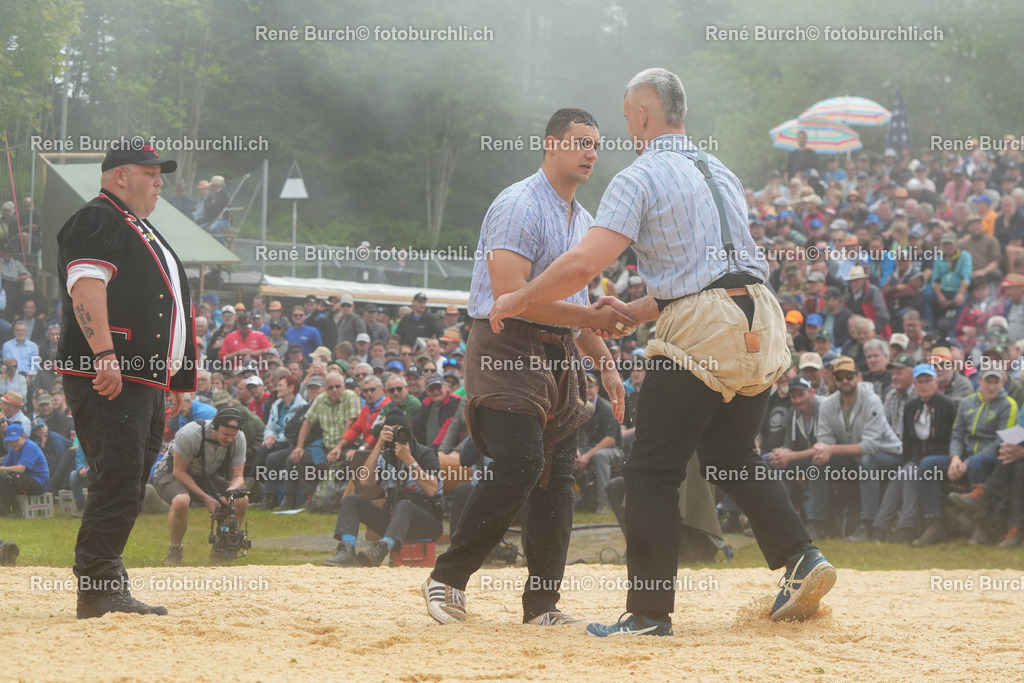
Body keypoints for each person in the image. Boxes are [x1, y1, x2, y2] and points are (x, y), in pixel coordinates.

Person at [489, 72, 834, 635]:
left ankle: (649, 614)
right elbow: (708, 276)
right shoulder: (720, 171)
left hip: (702, 325)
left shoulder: (640, 174)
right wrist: (629, 311)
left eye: (626, 119)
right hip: (761, 317)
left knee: (650, 470)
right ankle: (801, 558)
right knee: (731, 454)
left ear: (644, 116)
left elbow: (583, 265)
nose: (625, 130)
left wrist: (519, 298)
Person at [425, 107, 629, 629]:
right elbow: (508, 298)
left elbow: (577, 307)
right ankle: (447, 579)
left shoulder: (584, 222)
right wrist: (587, 316)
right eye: (581, 141)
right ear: (551, 144)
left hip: (559, 353)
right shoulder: (518, 205)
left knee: (557, 481)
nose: (591, 153)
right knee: (520, 464)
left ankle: (541, 606)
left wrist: (605, 363)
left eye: (596, 144)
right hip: (504, 346)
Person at [57, 142, 197, 618]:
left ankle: (106, 581)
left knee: (130, 479)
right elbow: (87, 284)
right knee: (117, 475)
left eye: (161, 174)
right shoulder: (98, 218)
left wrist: (177, 375)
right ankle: (97, 589)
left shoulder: (138, 225)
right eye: (150, 173)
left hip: (144, 379)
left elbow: (167, 304)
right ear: (120, 176)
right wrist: (105, 356)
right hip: (111, 375)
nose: (160, 181)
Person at [324, 409, 443, 567]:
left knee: (404, 505)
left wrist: (409, 461)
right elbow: (365, 481)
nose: (396, 436)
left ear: (409, 432)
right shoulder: (385, 456)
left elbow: (431, 489)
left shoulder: (426, 454)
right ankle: (347, 550)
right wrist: (378, 445)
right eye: (390, 431)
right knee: (351, 500)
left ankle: (382, 548)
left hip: (426, 523)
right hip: (394, 521)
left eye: (400, 430)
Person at [814, 356, 904, 542]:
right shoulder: (827, 405)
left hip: (889, 454)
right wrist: (825, 451)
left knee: (866, 460)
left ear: (859, 377)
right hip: (855, 455)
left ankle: (868, 523)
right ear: (833, 380)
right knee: (819, 461)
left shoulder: (872, 401)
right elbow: (824, 443)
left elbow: (870, 446)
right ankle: (816, 523)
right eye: (839, 377)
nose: (845, 380)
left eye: (849, 376)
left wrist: (831, 449)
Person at [153, 407, 247, 565]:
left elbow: (238, 476)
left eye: (234, 435)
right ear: (215, 427)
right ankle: (174, 550)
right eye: (226, 434)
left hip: (205, 476)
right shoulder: (190, 434)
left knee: (241, 499)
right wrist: (206, 499)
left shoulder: (239, 438)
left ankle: (224, 547)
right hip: (171, 473)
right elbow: (179, 471)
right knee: (182, 501)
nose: (230, 439)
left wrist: (230, 492)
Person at [0, 424, 49, 516]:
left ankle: (17, 510)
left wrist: (2, 468)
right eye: (10, 441)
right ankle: (5, 512)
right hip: (23, 480)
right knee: (2, 477)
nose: (13, 444)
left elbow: (21, 469)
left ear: (23, 436)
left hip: (38, 483)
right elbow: (4, 468)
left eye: (15, 440)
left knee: (11, 476)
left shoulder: (30, 447)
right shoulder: (13, 450)